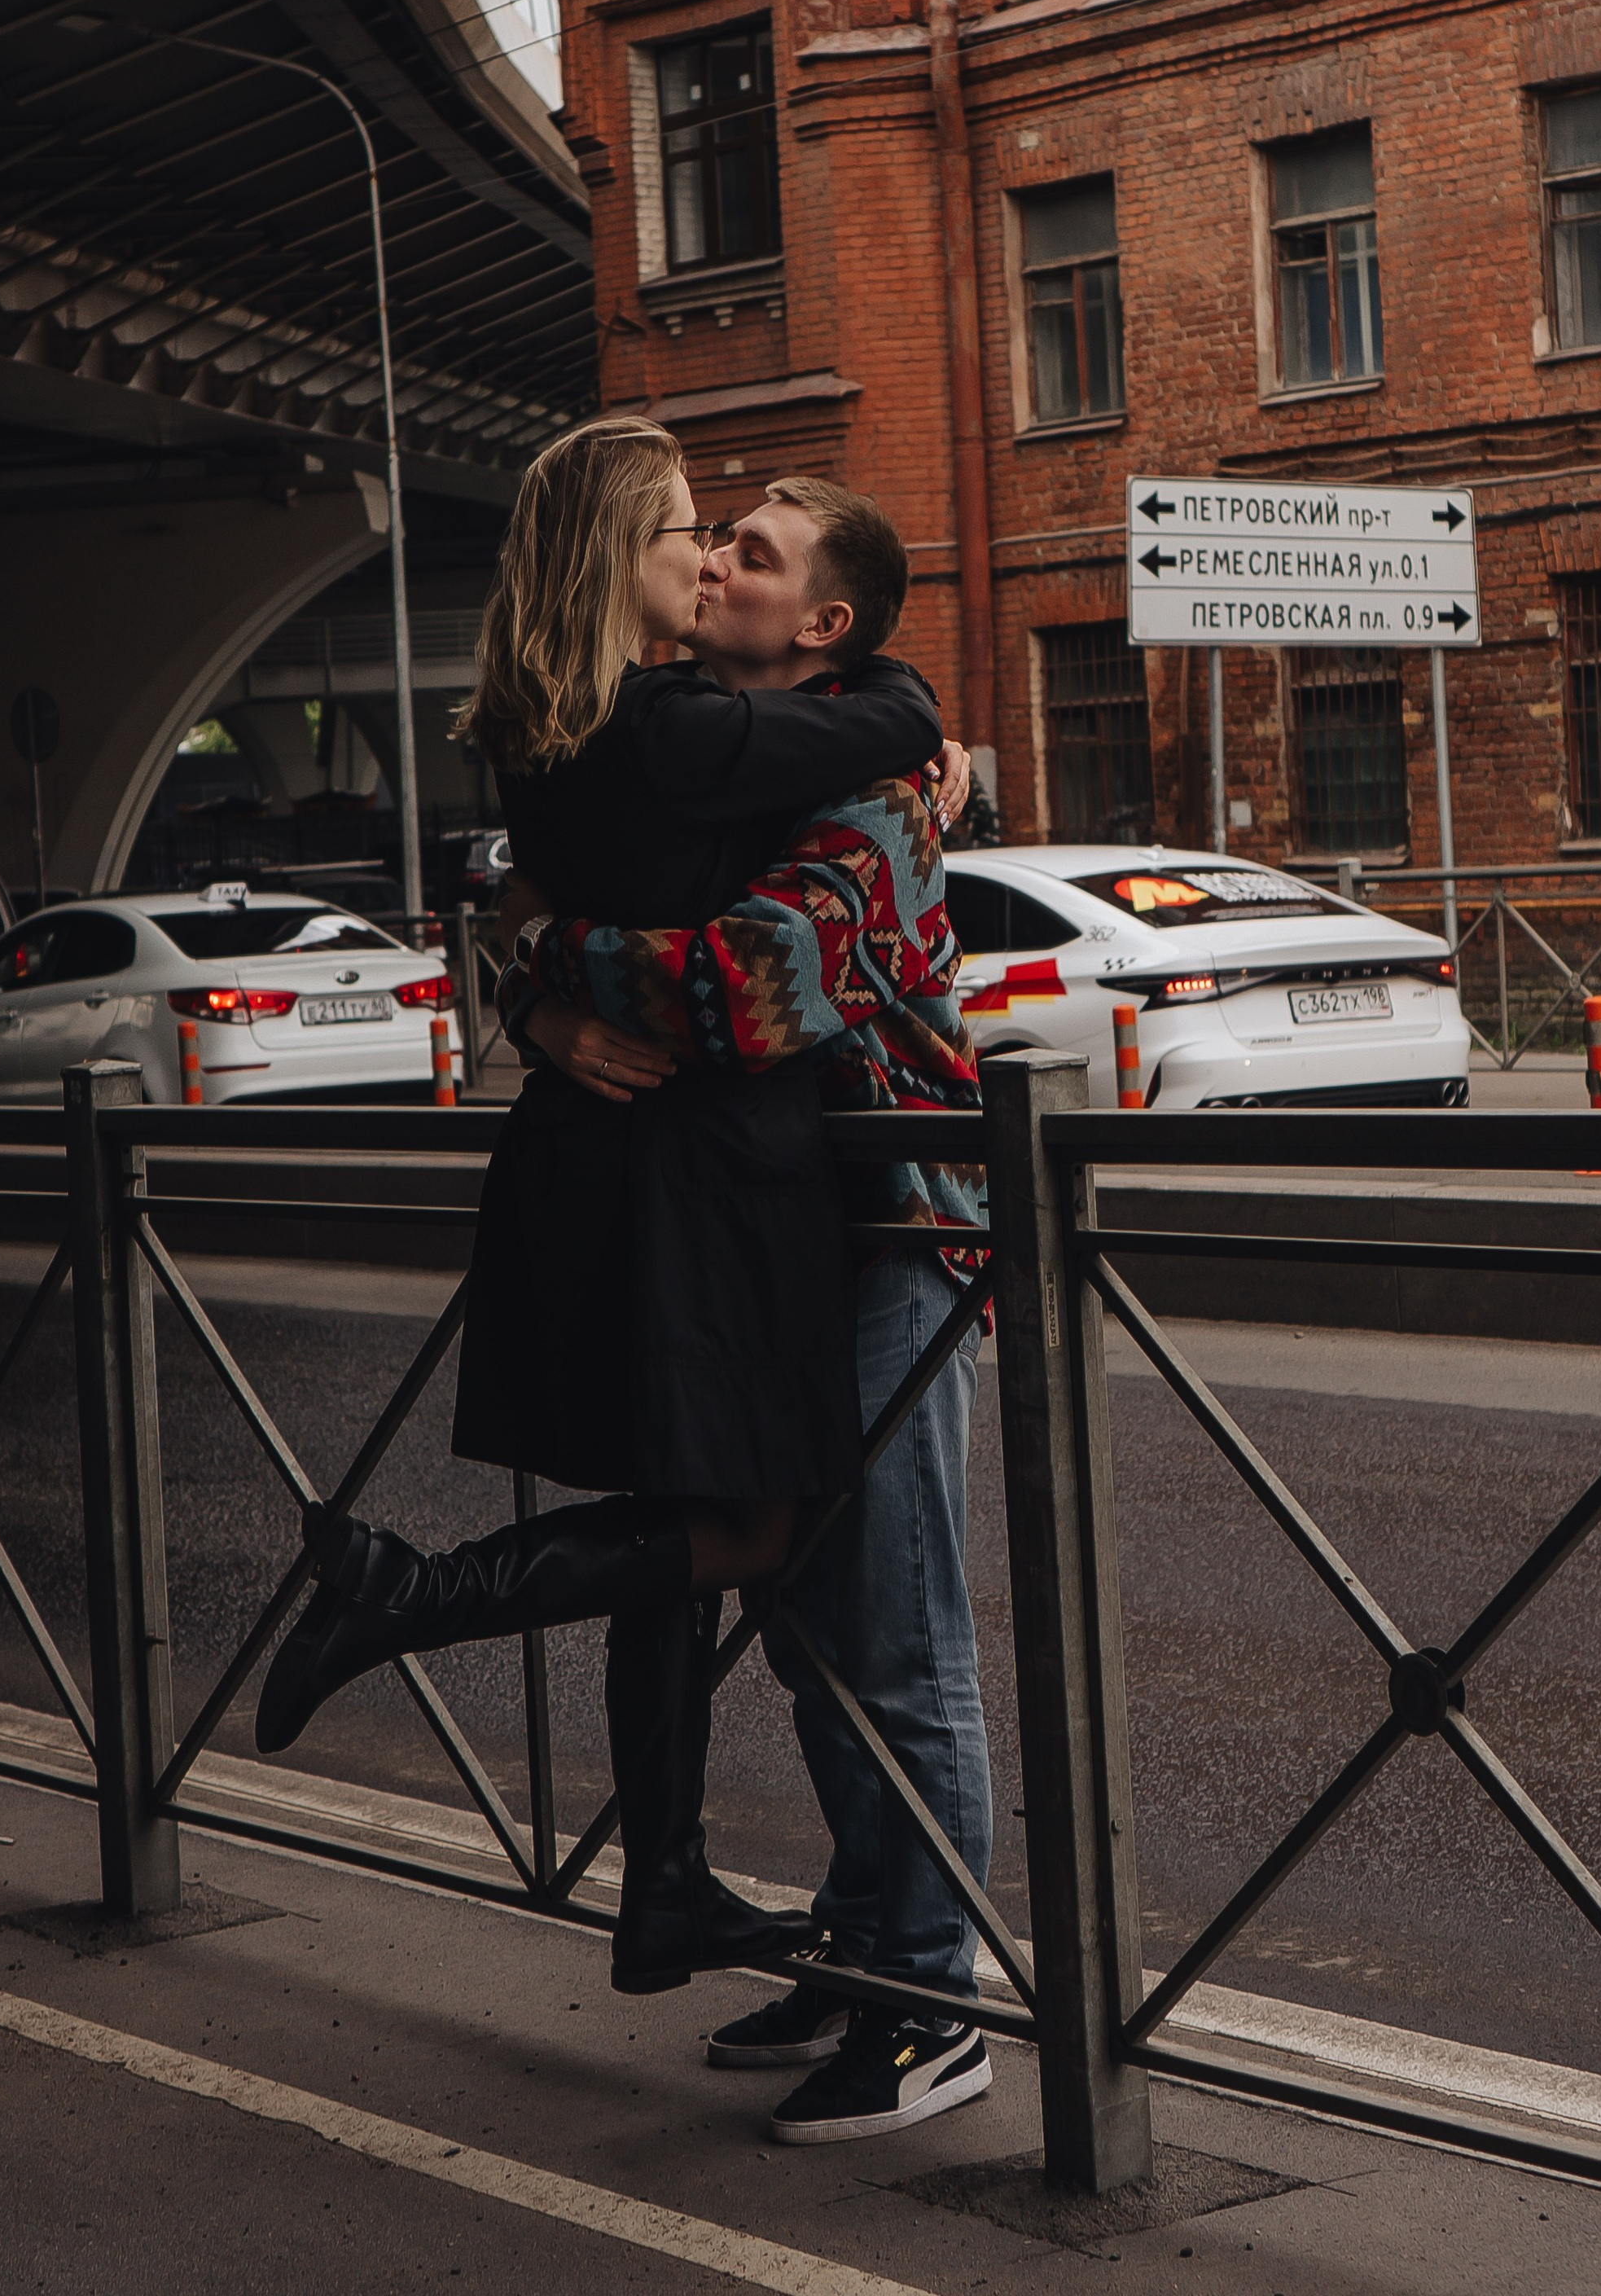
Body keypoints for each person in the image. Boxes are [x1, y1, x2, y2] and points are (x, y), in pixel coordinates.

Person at [253, 418, 945, 2007]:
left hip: (595, 1150)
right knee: (749, 1524)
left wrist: (539, 985)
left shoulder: (543, 724)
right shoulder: (678, 728)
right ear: (615, 560)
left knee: (667, 1533)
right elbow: (900, 709)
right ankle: (408, 1593)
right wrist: (917, 740)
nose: (706, 555)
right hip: (700, 1176)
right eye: (686, 532)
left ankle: (668, 1883)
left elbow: (528, 905)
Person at [518, 479, 998, 2146]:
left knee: (896, 1634)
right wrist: (532, 969)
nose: (713, 559)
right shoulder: (722, 766)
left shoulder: (881, 796)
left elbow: (739, 992)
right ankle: (864, 1948)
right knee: (801, 1626)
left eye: (754, 553)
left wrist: (546, 951)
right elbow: (544, 875)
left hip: (896, 1244)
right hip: (772, 1245)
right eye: (712, 536)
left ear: (822, 626)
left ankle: (931, 2005)